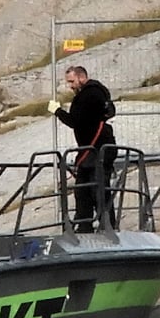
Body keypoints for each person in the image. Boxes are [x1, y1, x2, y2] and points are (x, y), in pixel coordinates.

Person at [48, 66, 115, 232]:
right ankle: (87, 224)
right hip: (94, 149)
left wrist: (57, 111)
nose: (70, 86)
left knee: (97, 189)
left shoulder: (88, 95)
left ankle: (104, 226)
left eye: (71, 81)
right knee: (84, 190)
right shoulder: (98, 92)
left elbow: (75, 122)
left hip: (96, 150)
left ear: (81, 77)